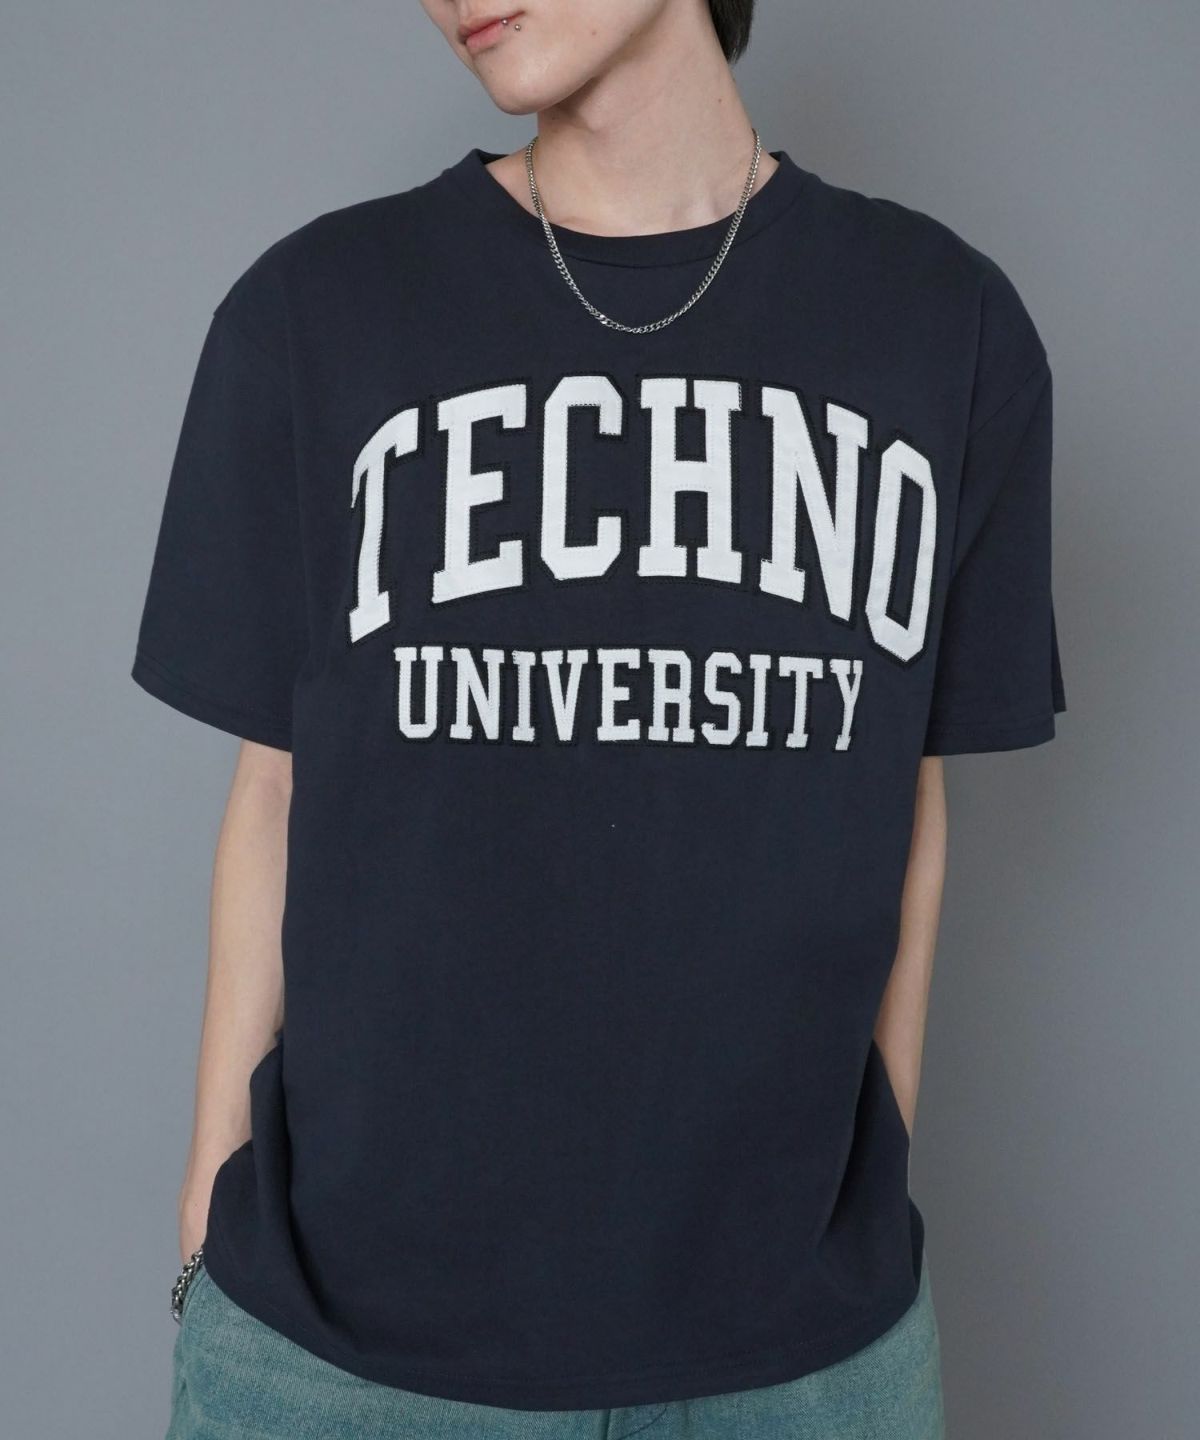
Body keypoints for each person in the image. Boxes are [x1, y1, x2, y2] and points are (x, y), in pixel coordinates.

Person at [133, 1, 1066, 1436]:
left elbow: (907, 794)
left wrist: (852, 1208)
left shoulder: (944, 326)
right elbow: (275, 785)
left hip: (799, 1369)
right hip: (339, 1363)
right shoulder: (316, 314)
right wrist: (209, 1209)